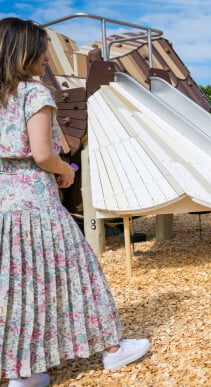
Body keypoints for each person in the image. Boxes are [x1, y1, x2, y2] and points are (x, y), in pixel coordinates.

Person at [0, 18, 150, 386]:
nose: (46, 60)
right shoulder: (34, 94)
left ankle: (24, 371)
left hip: (4, 203)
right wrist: (65, 169)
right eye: (41, 52)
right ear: (24, 53)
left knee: (15, 286)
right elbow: (41, 153)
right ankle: (112, 348)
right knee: (79, 271)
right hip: (36, 203)